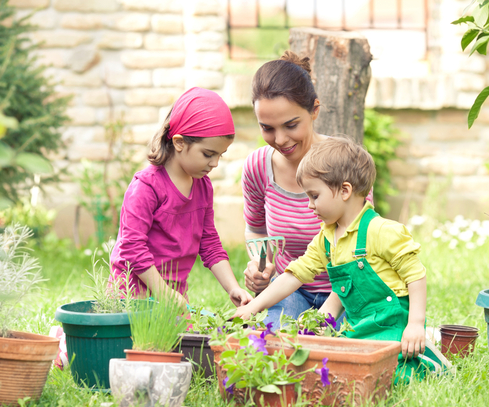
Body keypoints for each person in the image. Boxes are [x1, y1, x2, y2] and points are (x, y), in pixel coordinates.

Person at [236, 136, 441, 382]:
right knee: (339, 371)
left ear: (345, 190)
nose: (310, 205)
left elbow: (415, 275)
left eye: (314, 196)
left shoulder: (382, 230)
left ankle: (427, 350)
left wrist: (415, 323)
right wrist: (253, 307)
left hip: (392, 325)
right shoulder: (326, 238)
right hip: (358, 327)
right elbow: (294, 275)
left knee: (390, 377)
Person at [242, 50, 373, 328]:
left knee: (349, 344)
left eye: (291, 125)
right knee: (273, 341)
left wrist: (323, 320)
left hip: (346, 291)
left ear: (314, 110)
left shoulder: (344, 163)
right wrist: (261, 266)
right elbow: (256, 229)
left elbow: (363, 247)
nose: (280, 139)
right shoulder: (257, 167)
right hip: (291, 289)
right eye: (267, 128)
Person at [110, 87, 252, 307]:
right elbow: (132, 248)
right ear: (179, 142)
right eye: (208, 154)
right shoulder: (146, 187)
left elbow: (209, 243)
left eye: (219, 155)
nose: (214, 163)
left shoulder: (203, 186)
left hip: (172, 298)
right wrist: (163, 293)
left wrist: (233, 287)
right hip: (131, 297)